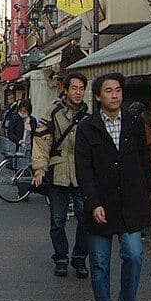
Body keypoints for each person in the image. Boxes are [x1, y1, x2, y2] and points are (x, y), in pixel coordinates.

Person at [75, 73, 151, 301]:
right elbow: (83, 169)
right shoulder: (88, 127)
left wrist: (147, 196)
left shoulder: (133, 122)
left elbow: (144, 163)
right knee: (99, 261)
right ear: (98, 96)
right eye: (108, 91)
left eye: (118, 90)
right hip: (101, 204)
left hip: (130, 203)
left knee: (134, 255)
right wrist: (93, 201)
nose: (115, 95)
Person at [32, 73, 90, 278]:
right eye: (73, 88)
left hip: (82, 175)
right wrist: (39, 169)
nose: (77, 92)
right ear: (65, 89)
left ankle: (80, 258)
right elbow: (41, 142)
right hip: (57, 173)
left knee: (86, 220)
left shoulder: (89, 115)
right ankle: (61, 258)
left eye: (81, 88)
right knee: (58, 221)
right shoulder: (53, 112)